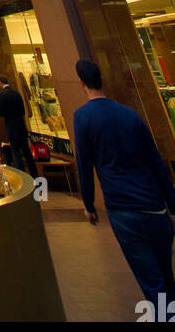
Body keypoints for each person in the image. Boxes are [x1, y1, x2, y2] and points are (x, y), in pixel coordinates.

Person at [73, 58, 175, 310]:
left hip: (124, 209)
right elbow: (156, 162)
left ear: (82, 84)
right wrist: (172, 205)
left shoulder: (83, 117)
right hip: (155, 206)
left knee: (151, 280)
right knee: (166, 275)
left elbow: (85, 165)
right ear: (102, 81)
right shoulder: (130, 115)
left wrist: (88, 204)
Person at [0, 75, 37, 176]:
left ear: (1, 83)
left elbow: (1, 112)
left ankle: (23, 177)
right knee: (27, 153)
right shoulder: (17, 93)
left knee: (16, 153)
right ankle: (35, 176)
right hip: (21, 127)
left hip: (11, 127)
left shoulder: (2, 95)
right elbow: (23, 111)